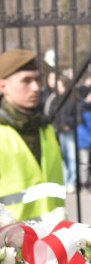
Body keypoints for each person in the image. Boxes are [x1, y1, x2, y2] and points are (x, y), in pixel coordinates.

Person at [0, 48, 64, 220]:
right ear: (3, 86)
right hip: (9, 244)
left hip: (54, 242)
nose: (36, 87)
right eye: (26, 81)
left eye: (37, 79)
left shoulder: (46, 130)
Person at [49, 75, 81, 194]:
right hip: (58, 131)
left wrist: (69, 124)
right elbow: (51, 114)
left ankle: (72, 182)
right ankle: (64, 180)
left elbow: (78, 117)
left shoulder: (73, 99)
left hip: (69, 131)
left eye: (61, 86)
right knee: (62, 157)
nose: (58, 88)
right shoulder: (55, 98)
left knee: (72, 157)